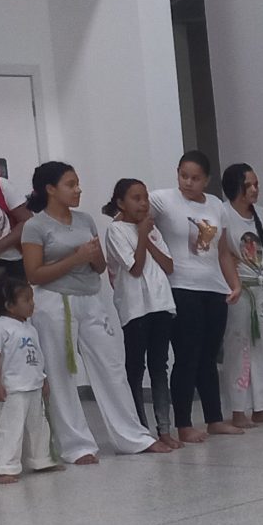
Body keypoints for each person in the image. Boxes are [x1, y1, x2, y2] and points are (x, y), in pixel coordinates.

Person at [21, 160, 157, 463]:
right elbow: (34, 274)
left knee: (111, 366)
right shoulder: (35, 226)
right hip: (54, 303)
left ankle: (132, 437)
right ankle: (76, 445)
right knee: (61, 373)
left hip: (90, 299)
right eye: (70, 184)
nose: (78, 190)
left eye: (77, 183)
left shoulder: (85, 220)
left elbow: (99, 267)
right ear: (50, 189)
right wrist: (75, 258)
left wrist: (92, 257)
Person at [150, 149, 243, 441]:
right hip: (181, 287)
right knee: (187, 355)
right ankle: (184, 423)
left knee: (209, 356)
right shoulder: (162, 199)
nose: (188, 182)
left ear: (207, 180)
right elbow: (130, 217)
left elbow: (223, 251)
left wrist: (234, 283)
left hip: (214, 288)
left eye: (195, 178)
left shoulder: (216, 205)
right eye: (183, 176)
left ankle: (214, 418)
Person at [102, 178, 178, 433]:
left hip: (161, 303)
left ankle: (164, 428)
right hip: (135, 308)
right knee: (135, 367)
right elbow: (135, 268)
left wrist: (147, 235)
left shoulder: (151, 229)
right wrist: (143, 235)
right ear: (121, 203)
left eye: (145, 197)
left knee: (159, 366)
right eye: (136, 198)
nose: (143, 203)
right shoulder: (116, 231)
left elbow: (168, 266)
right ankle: (140, 430)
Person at [218, 162, 263, 429]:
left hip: (261, 288)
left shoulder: (262, 214)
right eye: (248, 185)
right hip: (238, 290)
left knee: (261, 347)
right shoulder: (222, 213)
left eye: (256, 184)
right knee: (238, 348)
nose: (255, 189)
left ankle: (259, 407)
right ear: (235, 187)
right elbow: (219, 252)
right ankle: (237, 409)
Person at [0, 270, 60, 484]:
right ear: (9, 305)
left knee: (40, 425)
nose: (32, 304)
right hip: (13, 389)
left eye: (32, 299)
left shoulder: (29, 327)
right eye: (26, 300)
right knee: (11, 427)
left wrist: (43, 379)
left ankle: (42, 459)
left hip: (33, 385)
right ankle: (6, 466)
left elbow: (38, 355)